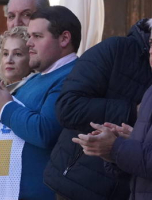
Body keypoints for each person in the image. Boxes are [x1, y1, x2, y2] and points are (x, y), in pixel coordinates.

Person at [0, 6, 82, 199]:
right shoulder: (35, 79)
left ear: (64, 39)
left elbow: (44, 132)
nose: (29, 43)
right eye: (28, 36)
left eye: (37, 36)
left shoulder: (72, 76)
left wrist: (4, 106)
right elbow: (2, 133)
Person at [44, 18, 152, 200]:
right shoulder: (116, 49)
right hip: (77, 183)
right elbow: (67, 108)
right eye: (151, 44)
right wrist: (132, 116)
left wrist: (120, 145)